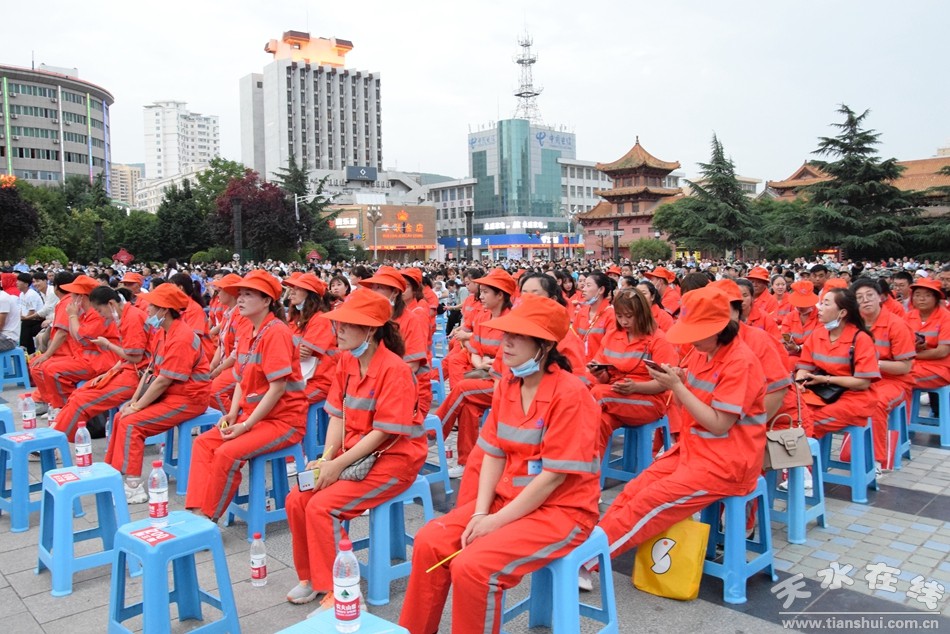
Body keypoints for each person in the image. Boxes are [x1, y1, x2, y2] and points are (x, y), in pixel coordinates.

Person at [399, 294, 601, 634]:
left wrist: (494, 522)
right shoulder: (509, 384)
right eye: (507, 333)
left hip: (562, 510)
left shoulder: (571, 394)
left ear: (544, 346)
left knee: (474, 567)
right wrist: (480, 514)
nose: (506, 342)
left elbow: (553, 478)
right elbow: (493, 453)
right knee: (430, 540)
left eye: (518, 336)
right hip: (508, 499)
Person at [592, 287, 767, 576]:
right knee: (634, 490)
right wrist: (678, 379)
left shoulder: (740, 361)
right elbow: (690, 397)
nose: (690, 340)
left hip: (726, 463)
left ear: (718, 328)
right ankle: (589, 548)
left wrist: (676, 386)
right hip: (694, 449)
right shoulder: (703, 352)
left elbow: (719, 424)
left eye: (696, 332)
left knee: (649, 502)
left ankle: (588, 561)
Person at [284, 289, 426, 609]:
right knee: (297, 499)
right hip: (355, 456)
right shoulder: (347, 361)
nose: (339, 330)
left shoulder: (395, 370)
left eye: (348, 324)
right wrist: (326, 459)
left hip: (393, 460)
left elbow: (382, 433)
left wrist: (337, 466)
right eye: (339, 323)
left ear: (371, 330)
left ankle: (344, 593)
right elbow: (338, 415)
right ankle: (313, 577)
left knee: (322, 507)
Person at [185, 270, 307, 520]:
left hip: (283, 420)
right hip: (253, 416)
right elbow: (240, 378)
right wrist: (232, 414)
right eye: (240, 294)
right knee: (203, 443)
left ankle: (208, 516)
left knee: (226, 453)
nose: (240, 299)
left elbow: (277, 388)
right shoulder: (247, 330)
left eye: (248, 294)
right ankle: (195, 511)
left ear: (267, 301)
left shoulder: (276, 332)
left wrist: (246, 425)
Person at [104, 283, 210, 502]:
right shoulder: (163, 332)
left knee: (131, 423)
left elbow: (163, 381)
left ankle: (134, 486)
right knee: (121, 416)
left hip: (189, 398)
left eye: (152, 306)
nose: (148, 309)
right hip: (171, 394)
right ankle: (113, 474)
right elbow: (151, 371)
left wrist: (137, 407)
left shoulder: (181, 337)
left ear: (164, 310)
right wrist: (134, 401)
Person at [437, 268, 514, 478]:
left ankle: (433, 432)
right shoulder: (483, 316)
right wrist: (482, 363)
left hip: (507, 382)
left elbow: (510, 359)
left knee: (463, 389)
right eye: (482, 291)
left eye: (486, 292)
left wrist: (491, 363)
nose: (481, 296)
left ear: (501, 295)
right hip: (485, 374)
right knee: (468, 407)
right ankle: (466, 462)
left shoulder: (512, 320)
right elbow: (474, 351)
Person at [586, 288, 677, 454]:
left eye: (629, 316)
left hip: (650, 401)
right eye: (619, 316)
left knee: (596, 394)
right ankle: (589, 467)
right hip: (615, 396)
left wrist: (636, 387)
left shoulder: (658, 339)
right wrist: (600, 373)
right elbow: (606, 375)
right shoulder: (612, 336)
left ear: (641, 314)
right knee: (600, 421)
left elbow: (666, 383)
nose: (624, 321)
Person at [54, 286, 149, 442]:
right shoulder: (125, 316)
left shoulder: (132, 318)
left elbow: (136, 358)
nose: (100, 314)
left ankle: (57, 442)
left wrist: (108, 345)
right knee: (78, 393)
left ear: (111, 303)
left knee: (81, 401)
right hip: (126, 369)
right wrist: (109, 373)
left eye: (99, 310)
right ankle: (55, 433)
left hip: (137, 375)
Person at [795, 288, 880, 445]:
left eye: (826, 304)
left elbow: (863, 382)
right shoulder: (817, 334)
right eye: (821, 303)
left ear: (842, 313)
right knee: (794, 412)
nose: (819, 308)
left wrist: (826, 380)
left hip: (854, 397)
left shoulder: (861, 339)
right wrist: (799, 382)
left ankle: (806, 459)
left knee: (809, 421)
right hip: (822, 391)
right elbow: (804, 366)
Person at [852, 278, 916, 467]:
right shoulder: (853, 324)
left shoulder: (896, 324)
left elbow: (905, 367)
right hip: (862, 379)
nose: (865, 300)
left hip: (894, 381)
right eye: (859, 297)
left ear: (880, 297)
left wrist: (873, 363)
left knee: (876, 402)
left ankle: (876, 460)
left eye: (869, 295)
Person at [285, 273, 338, 404]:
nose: (292, 292)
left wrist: (287, 350)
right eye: (292, 288)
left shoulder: (320, 319)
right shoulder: (296, 317)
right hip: (301, 377)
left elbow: (303, 354)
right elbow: (286, 349)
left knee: (286, 404)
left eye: (298, 289)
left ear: (310, 294)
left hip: (319, 381)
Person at [207, 274, 253, 413]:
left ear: (231, 293)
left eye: (220, 290)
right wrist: (212, 367)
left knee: (213, 392)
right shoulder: (228, 314)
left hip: (238, 366)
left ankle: (232, 420)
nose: (217, 295)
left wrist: (218, 370)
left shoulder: (242, 316)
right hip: (229, 364)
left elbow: (237, 352)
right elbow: (222, 345)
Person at [904, 278, 950, 393]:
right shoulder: (907, 317)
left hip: (940, 368)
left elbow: (942, 352)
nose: (922, 299)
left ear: (936, 299)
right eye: (917, 295)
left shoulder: (946, 318)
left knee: (901, 379)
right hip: (912, 364)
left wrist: (910, 355)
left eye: (927, 295)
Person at [573, 271, 616, 363]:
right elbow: (573, 339)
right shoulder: (582, 312)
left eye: (588, 285)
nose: (583, 289)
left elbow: (608, 347)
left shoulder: (611, 315)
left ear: (601, 290)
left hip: (598, 366)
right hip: (580, 364)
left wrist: (594, 364)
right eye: (584, 285)